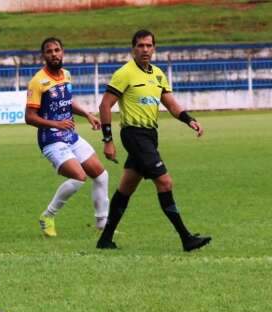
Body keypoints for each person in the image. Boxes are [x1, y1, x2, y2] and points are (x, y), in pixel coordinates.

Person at [96, 29, 211, 251]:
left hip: (150, 135)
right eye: (140, 45)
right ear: (133, 49)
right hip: (134, 135)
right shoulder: (124, 73)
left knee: (126, 187)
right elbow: (104, 105)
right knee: (165, 182)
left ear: (154, 48)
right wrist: (107, 140)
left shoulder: (158, 74)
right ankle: (186, 238)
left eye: (149, 46)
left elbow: (170, 103)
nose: (145, 50)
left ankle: (105, 239)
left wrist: (189, 120)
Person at [25, 37, 109, 237]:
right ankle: (48, 216)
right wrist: (56, 124)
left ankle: (103, 225)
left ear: (63, 52)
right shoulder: (38, 82)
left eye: (57, 50)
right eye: (49, 51)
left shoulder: (67, 75)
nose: (54, 54)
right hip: (51, 139)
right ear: (43, 56)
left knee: (101, 175)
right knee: (79, 177)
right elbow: (29, 117)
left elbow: (68, 103)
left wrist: (88, 115)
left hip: (70, 136)